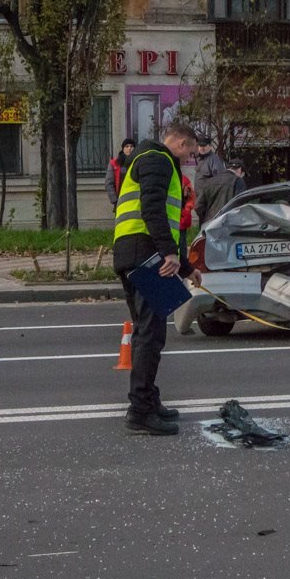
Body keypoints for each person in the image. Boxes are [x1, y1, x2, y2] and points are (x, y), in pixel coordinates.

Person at [113, 123, 203, 436]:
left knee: (150, 332)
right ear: (178, 141)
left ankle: (148, 401)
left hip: (140, 251)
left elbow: (169, 221)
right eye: (190, 150)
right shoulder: (157, 159)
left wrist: (187, 267)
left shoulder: (153, 160)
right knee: (149, 334)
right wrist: (168, 254)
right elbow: (151, 210)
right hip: (145, 252)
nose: (190, 157)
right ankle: (139, 410)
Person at [195, 158, 247, 224]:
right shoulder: (238, 181)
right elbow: (240, 205)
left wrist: (205, 218)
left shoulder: (210, 181)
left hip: (209, 224)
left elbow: (198, 206)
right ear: (240, 169)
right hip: (228, 224)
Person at [105, 138, 136, 211]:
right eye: (127, 146)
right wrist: (115, 200)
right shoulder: (114, 163)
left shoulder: (138, 162)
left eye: (131, 146)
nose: (129, 149)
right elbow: (109, 183)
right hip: (120, 199)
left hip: (135, 201)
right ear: (123, 148)